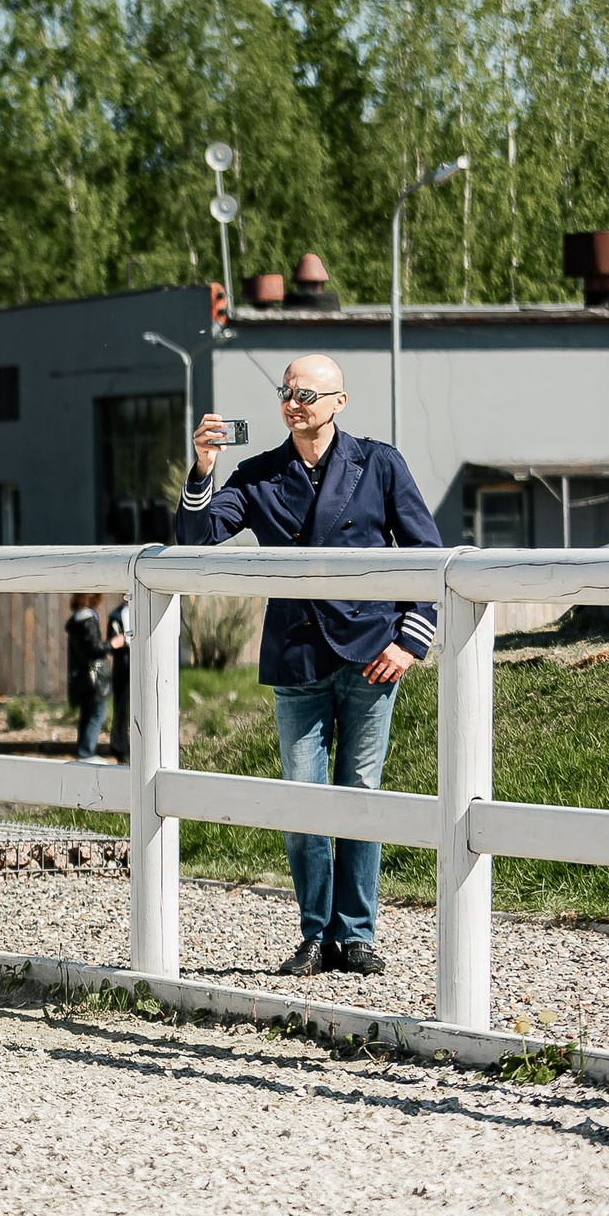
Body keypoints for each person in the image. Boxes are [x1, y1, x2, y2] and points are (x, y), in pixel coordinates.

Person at [176, 354, 442, 978]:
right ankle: (316, 934)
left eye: (307, 394)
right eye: (286, 392)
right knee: (302, 804)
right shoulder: (259, 473)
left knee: (360, 796)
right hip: (297, 655)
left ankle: (356, 935)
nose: (294, 403)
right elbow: (195, 540)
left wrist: (411, 640)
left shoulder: (379, 463)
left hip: (371, 652)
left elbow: (427, 552)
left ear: (339, 402)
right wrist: (204, 468)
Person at [65, 594, 110, 762]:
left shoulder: (75, 621)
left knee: (87, 714)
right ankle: (86, 752)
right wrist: (113, 644)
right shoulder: (88, 621)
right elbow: (94, 648)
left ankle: (83, 751)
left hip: (81, 677)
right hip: (94, 678)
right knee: (97, 714)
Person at [106, 595, 132, 762]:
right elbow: (112, 643)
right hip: (123, 665)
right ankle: (120, 746)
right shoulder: (116, 616)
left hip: (138, 663)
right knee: (121, 707)